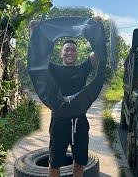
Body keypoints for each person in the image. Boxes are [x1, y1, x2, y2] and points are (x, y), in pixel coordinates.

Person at [48, 39, 98, 177]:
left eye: (73, 49)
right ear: (61, 53)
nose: (70, 52)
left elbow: (97, 54)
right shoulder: (53, 68)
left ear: (77, 53)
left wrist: (97, 30)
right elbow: (38, 58)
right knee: (55, 162)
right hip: (59, 122)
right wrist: (35, 32)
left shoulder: (82, 68)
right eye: (67, 49)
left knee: (80, 161)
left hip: (79, 121)